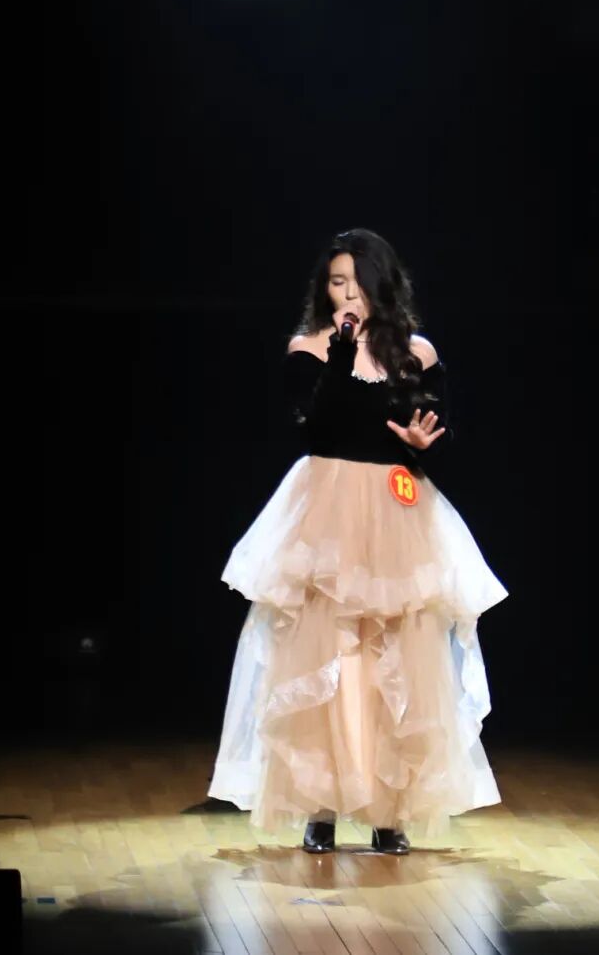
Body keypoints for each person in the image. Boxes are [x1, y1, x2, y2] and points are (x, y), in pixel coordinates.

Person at [207, 227, 507, 853]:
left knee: (396, 660)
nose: (347, 294)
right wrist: (341, 352)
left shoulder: (415, 352)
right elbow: (313, 424)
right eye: (336, 282)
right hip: (329, 508)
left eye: (357, 282)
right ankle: (319, 806)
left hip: (397, 510)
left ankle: (389, 813)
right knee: (327, 657)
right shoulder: (310, 348)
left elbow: (438, 434)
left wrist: (426, 444)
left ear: (381, 286)